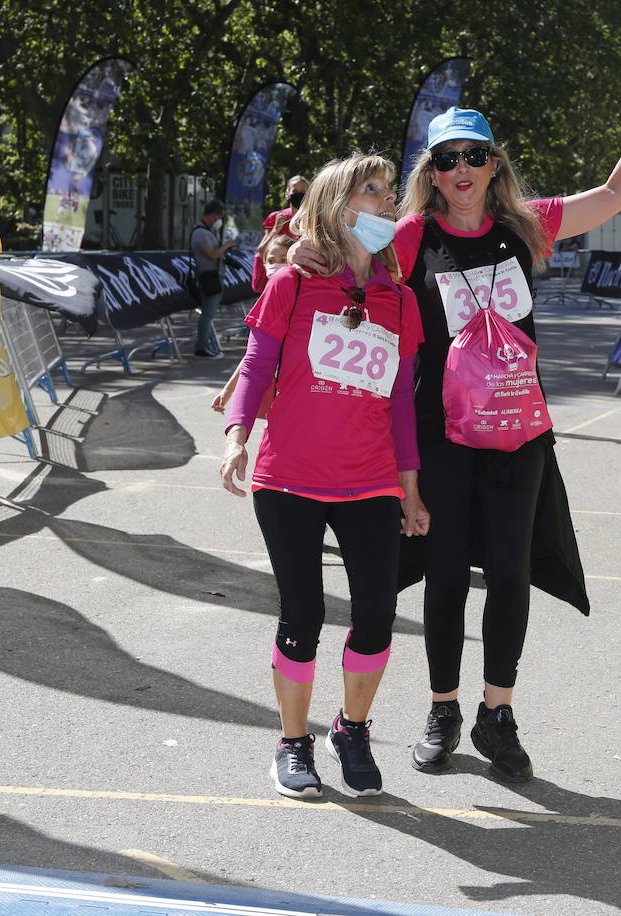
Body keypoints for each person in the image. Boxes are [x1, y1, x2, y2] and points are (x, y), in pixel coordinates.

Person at [291, 37, 621, 783]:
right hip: (441, 436)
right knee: (443, 576)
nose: (460, 170)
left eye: (473, 156)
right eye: (446, 159)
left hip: (518, 433)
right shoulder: (407, 234)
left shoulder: (526, 225)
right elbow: (326, 240)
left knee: (509, 570)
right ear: (430, 173)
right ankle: (443, 708)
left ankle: (498, 712)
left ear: (494, 165)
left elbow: (617, 194)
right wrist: (299, 256)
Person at [220, 154, 430, 799]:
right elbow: (256, 367)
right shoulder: (291, 283)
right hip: (289, 478)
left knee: (376, 613)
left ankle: (351, 729)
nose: (389, 203)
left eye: (391, 192)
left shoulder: (398, 299)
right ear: (339, 207)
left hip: (369, 480)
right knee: (302, 610)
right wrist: (237, 439)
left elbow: (399, 402)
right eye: (374, 191)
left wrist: (411, 489)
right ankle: (292, 743)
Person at [213, 235, 293, 413]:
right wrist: (228, 390)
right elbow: (253, 355)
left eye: (283, 259)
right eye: (271, 260)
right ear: (263, 264)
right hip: (273, 384)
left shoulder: (299, 298)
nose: (276, 264)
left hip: (295, 386)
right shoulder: (267, 300)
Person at [190, 200, 237, 357]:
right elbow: (212, 254)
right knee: (207, 314)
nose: (219, 221)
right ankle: (201, 346)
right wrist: (226, 245)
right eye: (219, 217)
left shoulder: (207, 232)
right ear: (213, 215)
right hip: (208, 279)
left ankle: (205, 344)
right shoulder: (200, 233)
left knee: (209, 314)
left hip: (213, 277)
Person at [253, 176, 309, 291]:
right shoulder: (276, 217)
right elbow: (262, 250)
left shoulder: (314, 220)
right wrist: (275, 230)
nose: (299, 195)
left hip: (301, 282)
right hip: (275, 282)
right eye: (295, 191)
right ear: (287, 193)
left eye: (303, 192)